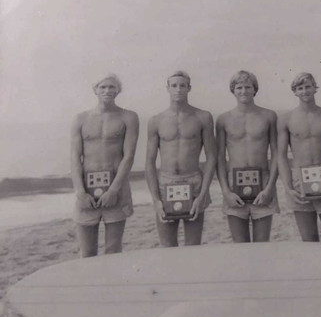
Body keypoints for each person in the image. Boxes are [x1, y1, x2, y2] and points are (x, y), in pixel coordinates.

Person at [70, 73, 139, 257]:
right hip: (87, 188)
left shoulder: (128, 117)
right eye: (103, 87)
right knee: (87, 252)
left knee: (113, 250)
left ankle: (112, 285)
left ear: (118, 90)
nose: (107, 90)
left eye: (111, 87)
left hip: (116, 187)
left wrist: (114, 190)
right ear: (95, 90)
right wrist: (80, 192)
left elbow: (129, 156)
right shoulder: (80, 119)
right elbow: (75, 157)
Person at [145, 71, 216, 247]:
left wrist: (203, 193)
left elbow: (212, 156)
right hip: (165, 182)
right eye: (174, 85)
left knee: (193, 245)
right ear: (167, 88)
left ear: (189, 88)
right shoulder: (156, 120)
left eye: (182, 85)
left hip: (193, 181)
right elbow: (149, 162)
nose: (178, 89)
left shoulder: (203, 117)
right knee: (168, 247)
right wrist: (155, 199)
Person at [277, 72, 321, 242]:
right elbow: (281, 155)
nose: (304, 91)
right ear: (294, 92)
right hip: (299, 180)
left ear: (315, 88)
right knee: (309, 242)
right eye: (300, 88)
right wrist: (288, 187)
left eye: (308, 86)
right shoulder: (286, 118)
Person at [216, 70, 279, 242]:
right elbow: (220, 157)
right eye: (239, 87)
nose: (243, 91)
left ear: (255, 89)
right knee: (240, 244)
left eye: (247, 87)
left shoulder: (269, 116)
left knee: (262, 243)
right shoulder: (223, 119)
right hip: (233, 183)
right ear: (233, 90)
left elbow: (276, 153)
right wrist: (225, 190)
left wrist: (270, 187)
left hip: (263, 181)